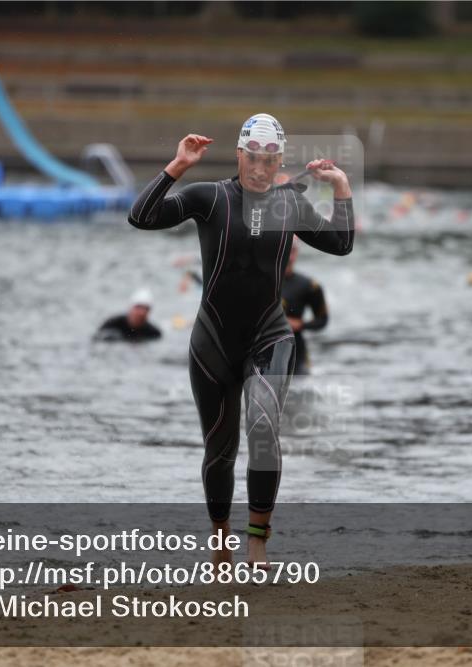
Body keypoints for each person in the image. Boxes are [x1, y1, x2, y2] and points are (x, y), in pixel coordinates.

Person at [127, 113, 354, 566]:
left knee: (265, 431)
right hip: (213, 340)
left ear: (279, 160)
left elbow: (341, 243)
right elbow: (141, 217)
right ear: (240, 155)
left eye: (270, 159)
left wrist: (342, 188)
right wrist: (178, 166)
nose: (260, 167)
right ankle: (219, 543)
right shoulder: (210, 198)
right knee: (220, 446)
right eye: (253, 157)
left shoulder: (289, 206)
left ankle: (257, 542)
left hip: (270, 335)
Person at [281, 242, 329, 375]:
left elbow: (322, 320)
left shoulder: (309, 286)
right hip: (264, 350)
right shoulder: (262, 282)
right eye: (286, 251)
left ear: (296, 254)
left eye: (292, 251)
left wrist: (300, 324)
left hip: (297, 352)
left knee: (298, 390)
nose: (289, 257)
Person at [93, 288, 162, 343]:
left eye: (145, 309)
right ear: (131, 308)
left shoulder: (153, 333)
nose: (141, 312)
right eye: (138, 307)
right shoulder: (112, 324)